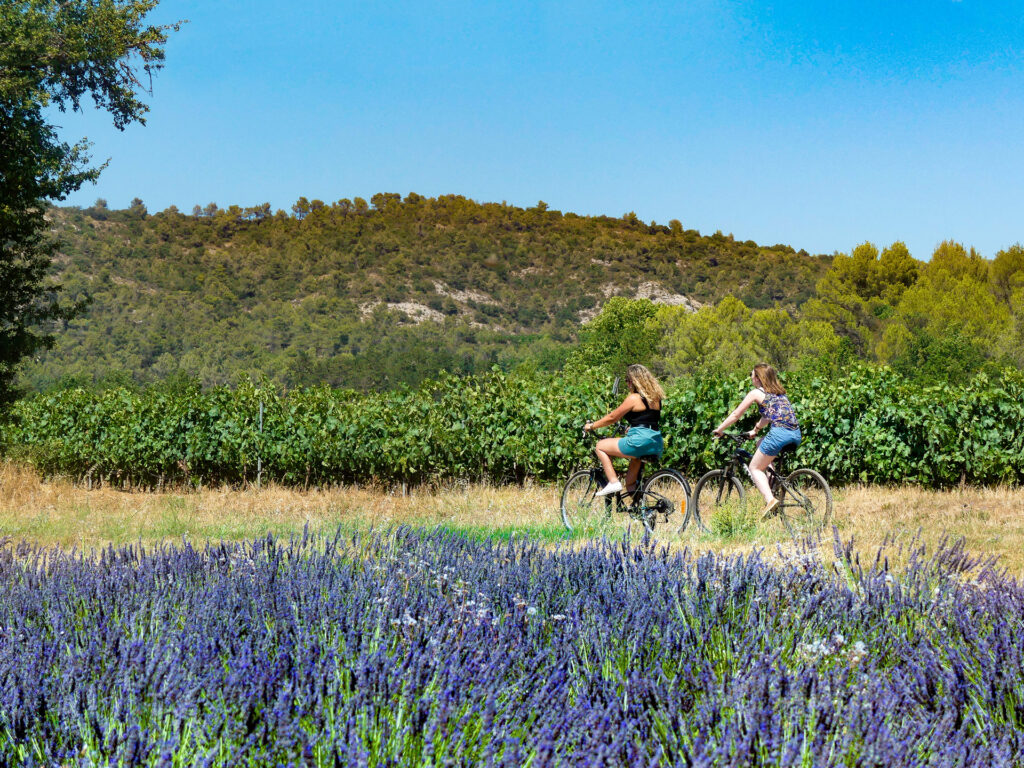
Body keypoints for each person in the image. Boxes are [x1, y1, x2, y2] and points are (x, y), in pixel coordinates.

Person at [712, 363, 800, 516]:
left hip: (779, 434)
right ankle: (772, 483)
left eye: (752, 375)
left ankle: (770, 500)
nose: (751, 378)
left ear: (758, 378)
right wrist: (755, 430)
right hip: (795, 434)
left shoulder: (756, 393)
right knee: (760, 443)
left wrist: (720, 429)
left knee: (754, 468)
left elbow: (735, 415)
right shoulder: (780, 393)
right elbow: (768, 416)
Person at [583, 364, 665, 497]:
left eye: (627, 380)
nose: (627, 384)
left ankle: (613, 482)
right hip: (655, 442)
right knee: (630, 483)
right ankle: (640, 510)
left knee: (600, 446)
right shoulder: (656, 399)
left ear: (634, 381)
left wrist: (592, 426)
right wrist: (632, 428)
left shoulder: (634, 398)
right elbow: (647, 420)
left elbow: (612, 417)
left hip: (639, 442)